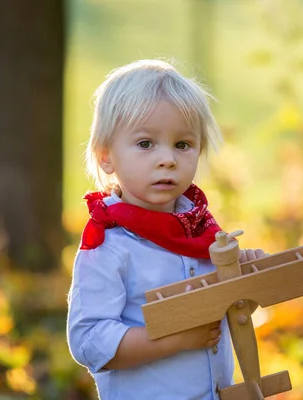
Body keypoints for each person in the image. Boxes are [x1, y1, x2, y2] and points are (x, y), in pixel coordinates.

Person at [66, 59, 264, 400]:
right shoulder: (109, 245)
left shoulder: (201, 232)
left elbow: (223, 312)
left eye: (182, 145)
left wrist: (243, 282)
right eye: (145, 144)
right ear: (106, 157)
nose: (167, 159)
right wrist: (175, 339)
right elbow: (89, 339)